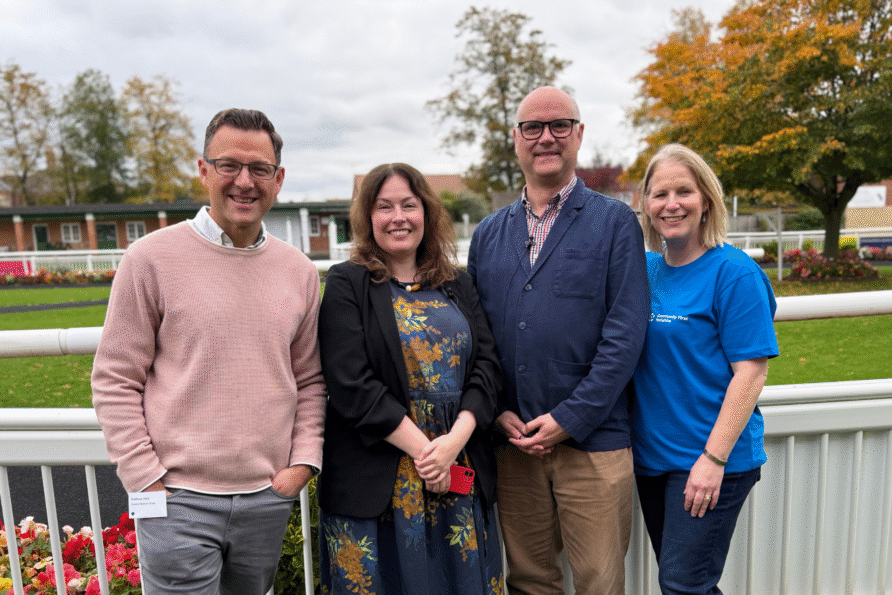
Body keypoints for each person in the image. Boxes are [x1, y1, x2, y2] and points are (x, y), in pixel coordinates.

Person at [91, 108, 326, 595]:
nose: (244, 181)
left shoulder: (298, 270)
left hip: (266, 497)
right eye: (228, 166)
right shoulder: (150, 259)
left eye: (259, 169)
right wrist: (146, 482)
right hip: (176, 500)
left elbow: (309, 380)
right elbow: (115, 377)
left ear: (278, 179)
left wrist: (300, 466)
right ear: (203, 170)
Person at [468, 86, 649, 595]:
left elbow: (625, 333)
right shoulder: (488, 235)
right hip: (515, 445)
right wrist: (499, 409)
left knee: (600, 581)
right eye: (532, 127)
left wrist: (570, 419)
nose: (546, 137)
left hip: (594, 445)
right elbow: (478, 337)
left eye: (560, 126)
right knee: (529, 580)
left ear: (579, 135)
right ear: (516, 139)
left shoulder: (615, 225)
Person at [317, 163, 504, 594]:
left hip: (456, 472)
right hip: (379, 482)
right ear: (368, 218)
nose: (398, 217)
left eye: (408, 205)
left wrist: (453, 446)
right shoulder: (348, 283)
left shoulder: (457, 282)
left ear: (427, 213)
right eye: (384, 207)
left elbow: (488, 367)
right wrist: (428, 455)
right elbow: (351, 382)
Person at [632, 143, 779, 594]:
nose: (671, 204)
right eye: (659, 194)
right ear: (646, 206)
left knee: (683, 584)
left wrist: (712, 460)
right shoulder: (645, 270)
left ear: (707, 201)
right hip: (652, 459)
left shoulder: (734, 274)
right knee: (684, 583)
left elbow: (751, 373)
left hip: (711, 459)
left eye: (684, 192)